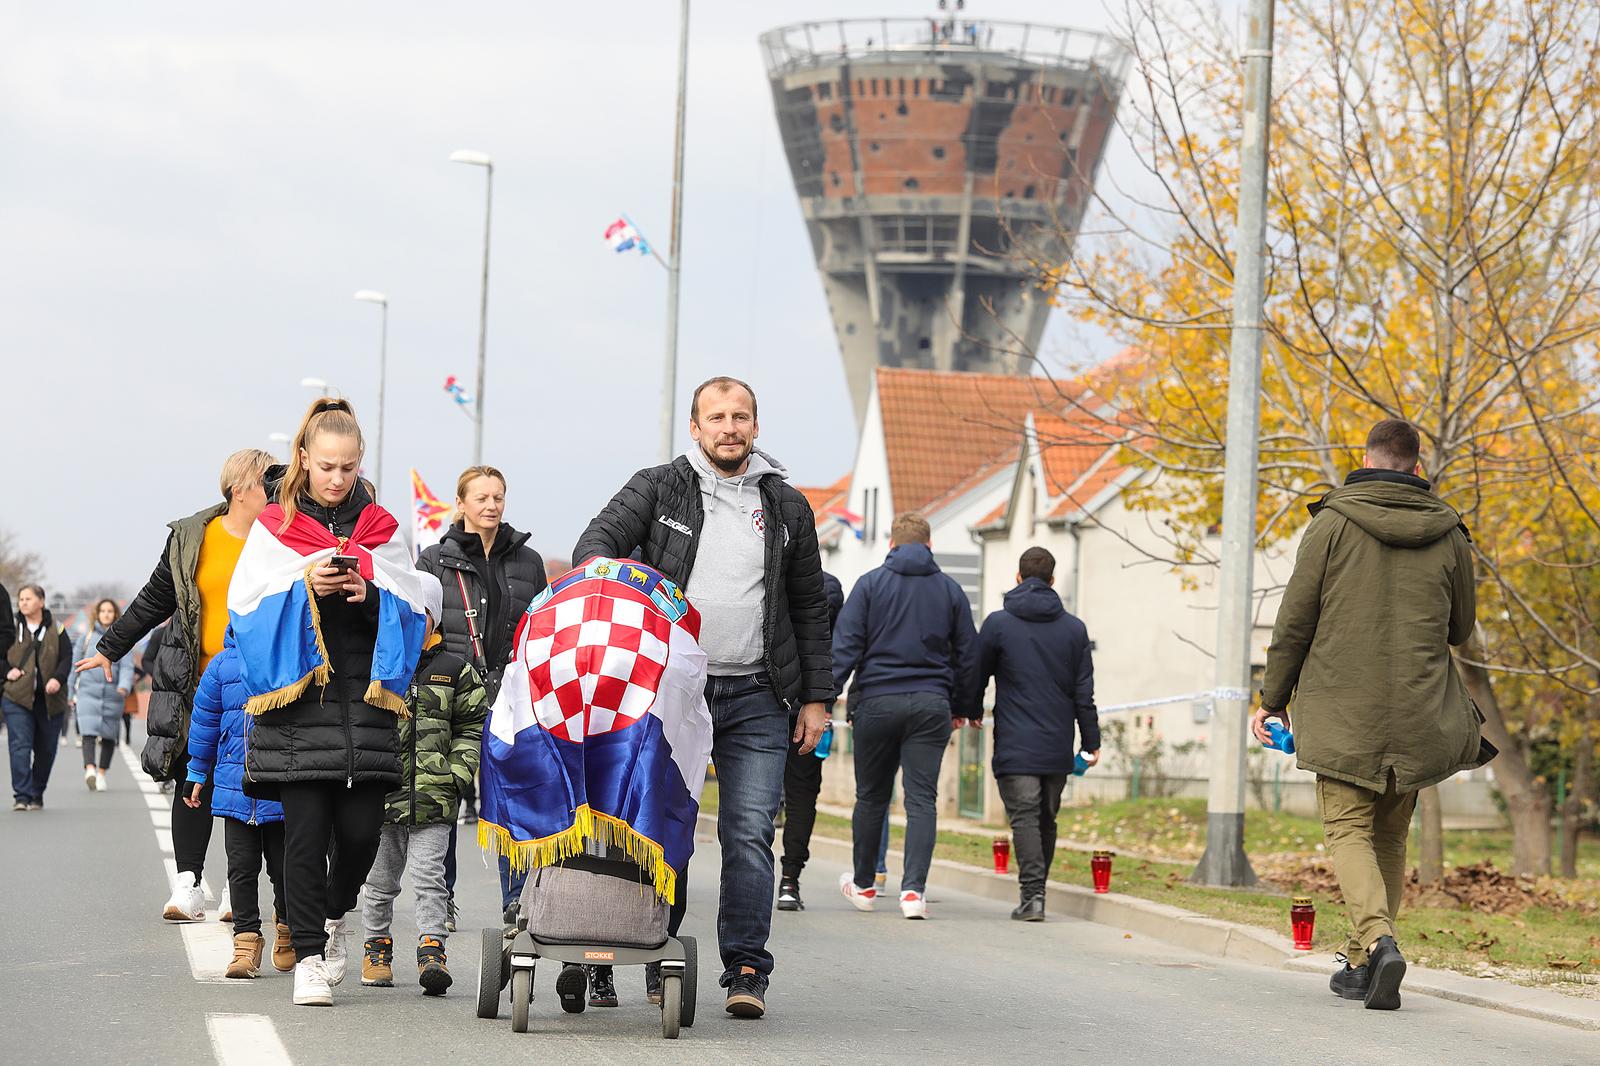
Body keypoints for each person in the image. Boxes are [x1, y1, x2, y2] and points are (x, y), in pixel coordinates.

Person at [572, 374, 832, 1020]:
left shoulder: (787, 507)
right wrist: (624, 604)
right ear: (695, 427)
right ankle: (657, 949)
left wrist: (817, 698)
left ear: (755, 427)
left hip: (760, 694)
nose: (728, 427)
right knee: (663, 828)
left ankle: (746, 967)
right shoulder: (658, 487)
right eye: (715, 416)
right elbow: (594, 546)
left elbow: (809, 607)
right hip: (672, 688)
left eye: (739, 416)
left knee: (748, 833)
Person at [1256, 419, 1489, 1012]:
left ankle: (1381, 944)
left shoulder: (1332, 523)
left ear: (1364, 458)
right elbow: (1461, 628)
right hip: (1419, 708)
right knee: (1389, 834)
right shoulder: (1450, 534)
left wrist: (1272, 698)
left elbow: (1295, 622)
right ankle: (1362, 966)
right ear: (1417, 468)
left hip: (1341, 708)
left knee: (1348, 830)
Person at [234, 397, 429, 1008]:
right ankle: (311, 957)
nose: (338, 477)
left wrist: (366, 591)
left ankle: (337, 914)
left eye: (348, 466)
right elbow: (246, 610)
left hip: (366, 707)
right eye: (326, 466)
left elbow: (419, 606)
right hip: (300, 710)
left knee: (362, 836)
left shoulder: (385, 529)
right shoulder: (275, 528)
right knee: (304, 835)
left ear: (359, 463)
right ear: (303, 459)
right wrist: (304, 583)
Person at [79, 448, 275, 918]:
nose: (275, 489)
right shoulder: (192, 537)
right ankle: (187, 881)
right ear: (241, 487)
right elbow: (153, 599)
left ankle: (237, 890)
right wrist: (110, 647)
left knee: (249, 784)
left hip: (260, 684)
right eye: (267, 480)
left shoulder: (281, 537)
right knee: (195, 774)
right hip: (195, 680)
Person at [416, 464, 547, 922]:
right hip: (449, 695)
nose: (491, 506)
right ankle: (442, 897)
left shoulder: (527, 561)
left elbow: (541, 626)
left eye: (498, 497)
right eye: (482, 498)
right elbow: (422, 624)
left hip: (510, 695)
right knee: (445, 799)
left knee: (509, 798)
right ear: (462, 504)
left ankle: (516, 901)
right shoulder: (435, 559)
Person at [831, 512, 977, 920]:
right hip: (931, 705)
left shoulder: (870, 585)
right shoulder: (951, 590)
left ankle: (863, 886)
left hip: (877, 702)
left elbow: (846, 648)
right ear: (930, 546)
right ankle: (913, 893)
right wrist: (964, 707)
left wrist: (824, 701)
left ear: (891, 545)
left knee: (871, 797)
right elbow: (968, 655)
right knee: (922, 800)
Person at [359, 578, 486, 997]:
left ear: (432, 615)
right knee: (379, 880)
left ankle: (432, 948)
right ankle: (376, 949)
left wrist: (458, 773)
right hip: (382, 797)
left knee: (430, 877)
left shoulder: (454, 669)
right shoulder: (379, 663)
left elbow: (471, 725)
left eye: (417, 611)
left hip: (435, 797)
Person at [974, 546, 1100, 921]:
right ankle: (1036, 893)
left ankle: (1033, 897)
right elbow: (1084, 693)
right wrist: (1091, 741)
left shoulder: (998, 623)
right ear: (1052, 581)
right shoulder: (1074, 629)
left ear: (1017, 578)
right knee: (1046, 817)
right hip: (1057, 742)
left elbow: (976, 673)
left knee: (1026, 817)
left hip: (1015, 738)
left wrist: (968, 708)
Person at [183, 628, 291, 979]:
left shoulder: (290, 656)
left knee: (285, 869)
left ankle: (288, 926)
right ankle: (246, 940)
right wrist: (197, 772)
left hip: (281, 787)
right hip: (234, 787)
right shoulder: (222, 666)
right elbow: (205, 722)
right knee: (241, 869)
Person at [775, 569, 844, 912]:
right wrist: (827, 696)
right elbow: (837, 648)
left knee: (750, 798)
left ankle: (744, 884)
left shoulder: (764, 573)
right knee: (803, 797)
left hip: (764, 700)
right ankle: (789, 880)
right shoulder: (830, 588)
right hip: (810, 705)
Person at [5, 584, 74, 810]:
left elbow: (66, 658)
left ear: (41, 601)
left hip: (50, 701)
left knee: (46, 749)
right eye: (20, 599)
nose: (23, 602)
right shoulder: (10, 627)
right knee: (19, 746)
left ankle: (36, 792)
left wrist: (58, 679)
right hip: (16, 697)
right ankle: (21, 796)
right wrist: (6, 670)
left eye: (28, 598)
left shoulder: (58, 628)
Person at [71, 598, 135, 792]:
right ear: (97, 614)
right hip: (88, 692)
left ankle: (101, 773)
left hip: (112, 693)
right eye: (102, 611)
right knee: (87, 733)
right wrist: (69, 689)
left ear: (115, 614)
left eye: (110, 611)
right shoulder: (87, 638)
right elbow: (74, 665)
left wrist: (124, 686)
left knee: (109, 736)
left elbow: (127, 666)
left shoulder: (123, 638)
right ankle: (89, 769)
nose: (106, 614)